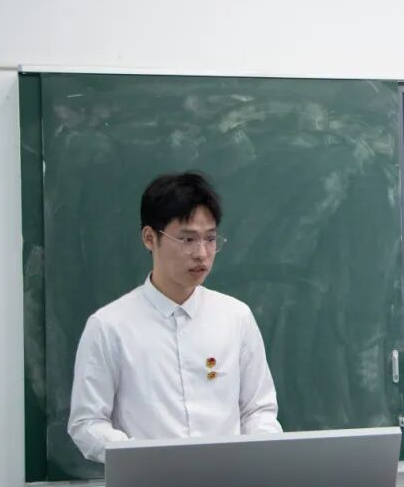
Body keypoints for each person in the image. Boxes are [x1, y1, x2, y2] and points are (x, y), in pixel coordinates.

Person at [68, 172, 281, 463]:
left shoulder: (236, 317)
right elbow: (87, 423)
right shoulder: (109, 326)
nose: (202, 254)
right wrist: (141, 457)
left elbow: (258, 409)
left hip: (230, 484)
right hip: (148, 485)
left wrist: (257, 453)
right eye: (187, 239)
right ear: (149, 238)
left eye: (210, 239)